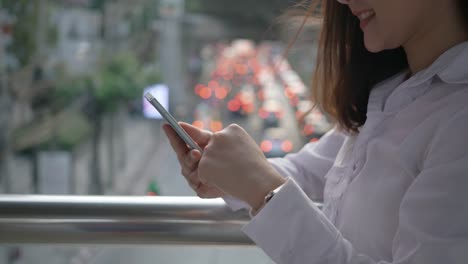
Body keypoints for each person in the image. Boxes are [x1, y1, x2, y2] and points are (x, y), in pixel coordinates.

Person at [163, 0, 468, 263]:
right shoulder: (391, 93)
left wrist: (263, 189)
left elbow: (273, 182)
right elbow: (309, 171)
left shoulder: (458, 119)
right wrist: (228, 173)